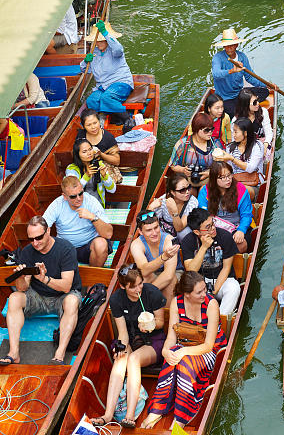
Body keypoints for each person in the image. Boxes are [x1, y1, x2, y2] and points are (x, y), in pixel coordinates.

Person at [140, 271, 227, 430]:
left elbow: (209, 345)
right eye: (199, 292)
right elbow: (172, 337)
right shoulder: (176, 302)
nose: (204, 294)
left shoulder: (211, 304)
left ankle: (181, 416)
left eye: (204, 290)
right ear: (187, 294)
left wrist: (183, 352)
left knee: (183, 361)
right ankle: (158, 408)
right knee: (172, 356)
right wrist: (166, 351)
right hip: (185, 345)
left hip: (210, 350)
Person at [0, 216, 82, 367]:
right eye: (31, 239)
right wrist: (20, 276)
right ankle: (13, 353)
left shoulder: (65, 248)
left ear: (48, 231)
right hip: (38, 296)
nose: (35, 243)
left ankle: (59, 354)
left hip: (62, 296)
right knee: (14, 298)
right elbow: (22, 288)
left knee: (72, 301)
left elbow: (66, 286)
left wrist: (45, 279)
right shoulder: (27, 252)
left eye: (39, 237)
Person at [91, 265, 166, 428]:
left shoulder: (152, 293)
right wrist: (120, 348)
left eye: (140, 283)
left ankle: (130, 415)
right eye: (133, 287)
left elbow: (161, 322)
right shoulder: (117, 299)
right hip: (131, 338)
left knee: (133, 359)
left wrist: (151, 325)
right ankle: (108, 414)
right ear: (123, 286)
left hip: (153, 340)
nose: (138, 288)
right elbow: (123, 333)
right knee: (121, 358)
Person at [44, 175, 113, 267]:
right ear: (64, 196)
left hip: (89, 247)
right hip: (65, 248)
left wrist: (92, 217)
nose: (79, 198)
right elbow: (43, 227)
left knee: (101, 244)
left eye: (80, 193)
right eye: (73, 196)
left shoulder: (91, 201)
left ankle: (93, 276)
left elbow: (108, 234)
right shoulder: (57, 204)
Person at [181, 209, 240, 315]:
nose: (213, 229)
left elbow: (226, 268)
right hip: (199, 281)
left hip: (222, 281)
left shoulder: (225, 236)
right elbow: (191, 270)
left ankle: (220, 319)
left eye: (213, 223)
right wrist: (203, 247)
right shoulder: (188, 241)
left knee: (234, 288)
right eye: (208, 227)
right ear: (197, 232)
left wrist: (212, 293)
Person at [80, 19, 134, 127]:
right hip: (103, 86)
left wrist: (105, 33)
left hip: (120, 83)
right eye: (97, 41)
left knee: (107, 98)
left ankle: (127, 118)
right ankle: (103, 118)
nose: (98, 43)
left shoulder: (114, 49)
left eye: (102, 40)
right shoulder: (94, 52)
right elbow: (84, 69)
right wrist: (86, 61)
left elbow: (119, 49)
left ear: (107, 40)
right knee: (91, 101)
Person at [211, 28, 269, 117]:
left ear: (236, 45)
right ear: (223, 46)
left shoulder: (242, 57)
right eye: (226, 45)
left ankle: (245, 106)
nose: (229, 48)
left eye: (231, 45)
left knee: (265, 92)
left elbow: (250, 77)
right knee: (236, 114)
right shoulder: (218, 57)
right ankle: (246, 107)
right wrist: (231, 71)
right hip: (225, 98)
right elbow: (216, 74)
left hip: (239, 93)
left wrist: (266, 84)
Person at [197, 162, 253, 253]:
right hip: (214, 227)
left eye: (229, 175)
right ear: (214, 179)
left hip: (236, 226)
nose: (228, 180)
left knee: (241, 245)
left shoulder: (240, 190)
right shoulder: (205, 192)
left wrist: (241, 230)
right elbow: (203, 215)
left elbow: (246, 215)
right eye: (223, 177)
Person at [131, 211, 179, 305]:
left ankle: (167, 312)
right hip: (151, 273)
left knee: (171, 281)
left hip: (174, 273)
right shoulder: (136, 244)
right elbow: (144, 271)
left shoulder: (169, 240)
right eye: (149, 230)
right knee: (143, 278)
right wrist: (164, 257)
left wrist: (147, 293)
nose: (154, 233)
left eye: (156, 227)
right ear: (140, 232)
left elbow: (168, 275)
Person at [168, 112, 220, 193]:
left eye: (212, 129)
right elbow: (172, 165)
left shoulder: (215, 144)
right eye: (206, 130)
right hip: (187, 181)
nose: (210, 132)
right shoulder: (182, 144)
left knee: (206, 191)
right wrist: (183, 170)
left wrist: (209, 173)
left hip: (209, 180)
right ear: (196, 129)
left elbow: (223, 166)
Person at [147, 170, 199, 240]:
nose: (187, 192)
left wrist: (174, 211)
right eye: (182, 190)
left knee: (186, 233)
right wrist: (150, 208)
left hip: (180, 230)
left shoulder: (192, 202)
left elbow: (179, 228)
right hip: (164, 230)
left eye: (188, 187)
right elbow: (150, 222)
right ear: (173, 192)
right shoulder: (163, 201)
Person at [65, 139, 117, 207]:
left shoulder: (99, 165)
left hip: (97, 207)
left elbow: (112, 190)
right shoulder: (72, 169)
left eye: (90, 149)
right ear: (77, 154)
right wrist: (86, 176)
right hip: (79, 207)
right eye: (84, 152)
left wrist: (105, 176)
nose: (89, 153)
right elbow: (72, 191)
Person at [222, 117, 264, 199]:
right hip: (233, 182)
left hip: (253, 185)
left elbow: (250, 168)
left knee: (237, 190)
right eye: (233, 131)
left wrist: (232, 158)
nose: (233, 135)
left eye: (235, 132)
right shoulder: (230, 147)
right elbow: (229, 170)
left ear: (245, 133)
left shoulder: (257, 146)